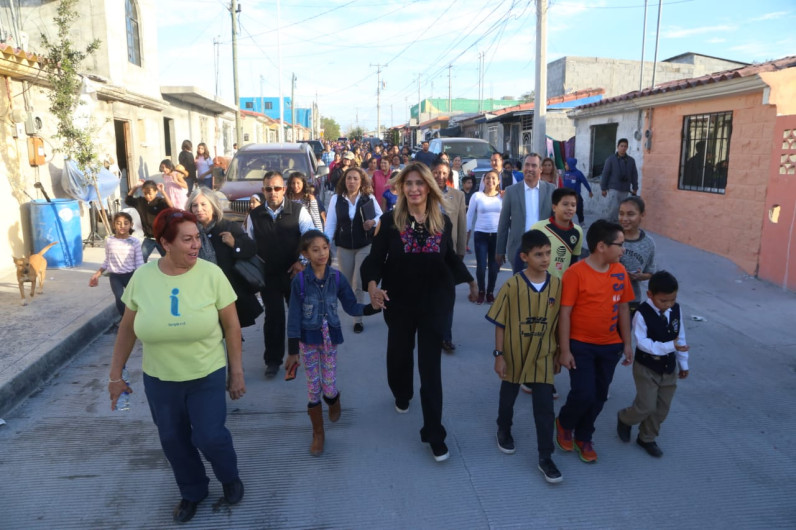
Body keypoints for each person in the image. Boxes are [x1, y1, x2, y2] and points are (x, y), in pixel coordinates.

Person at [107, 208, 245, 524]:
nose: (196, 245)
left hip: (205, 373)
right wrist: (116, 375)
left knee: (210, 436)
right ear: (166, 243)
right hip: (160, 379)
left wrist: (235, 371)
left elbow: (232, 326)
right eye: (187, 240)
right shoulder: (143, 277)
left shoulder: (212, 275)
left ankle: (229, 476)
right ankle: (193, 491)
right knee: (173, 440)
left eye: (197, 238)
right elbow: (127, 328)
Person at [361, 162, 478, 462]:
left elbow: (449, 258)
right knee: (399, 356)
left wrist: (470, 280)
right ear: (401, 188)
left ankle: (434, 432)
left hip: (435, 303)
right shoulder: (388, 222)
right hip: (398, 302)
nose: (414, 189)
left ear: (429, 187)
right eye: (408, 183)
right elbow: (374, 261)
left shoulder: (443, 221)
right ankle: (402, 393)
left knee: (430, 368)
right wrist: (373, 287)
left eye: (419, 183)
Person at [285, 231, 380, 456]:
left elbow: (350, 306)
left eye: (325, 248)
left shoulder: (336, 278)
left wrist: (370, 308)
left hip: (330, 341)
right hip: (307, 341)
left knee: (328, 387)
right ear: (305, 254)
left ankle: (333, 400)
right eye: (315, 250)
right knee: (313, 389)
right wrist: (292, 351)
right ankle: (318, 433)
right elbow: (294, 316)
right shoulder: (299, 281)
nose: (322, 253)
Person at [486, 229, 563, 484]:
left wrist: (559, 352)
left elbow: (558, 322)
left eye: (548, 253)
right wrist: (499, 355)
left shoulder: (557, 285)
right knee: (508, 398)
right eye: (538, 254)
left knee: (545, 409)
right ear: (524, 257)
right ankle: (503, 428)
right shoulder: (512, 286)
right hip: (514, 353)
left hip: (542, 355)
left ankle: (545, 456)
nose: (545, 258)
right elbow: (500, 323)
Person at [555, 219, 634, 464]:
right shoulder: (575, 273)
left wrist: (627, 344)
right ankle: (565, 423)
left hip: (610, 347)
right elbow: (564, 313)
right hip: (581, 346)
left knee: (599, 395)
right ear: (601, 246)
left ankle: (584, 436)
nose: (623, 250)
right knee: (583, 393)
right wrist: (564, 350)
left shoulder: (620, 271)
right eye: (619, 245)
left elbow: (623, 308)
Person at [247, 171, 316, 378]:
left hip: (295, 274)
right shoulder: (254, 216)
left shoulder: (298, 211)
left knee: (297, 316)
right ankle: (273, 361)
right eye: (268, 189)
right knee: (274, 317)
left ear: (284, 190)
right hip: (269, 276)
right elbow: (249, 244)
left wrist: (302, 262)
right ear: (263, 191)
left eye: (277, 188)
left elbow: (311, 238)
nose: (273, 192)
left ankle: (297, 354)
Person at [617, 271, 689, 458]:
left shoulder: (676, 310)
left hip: (669, 368)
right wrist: (669, 346)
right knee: (646, 406)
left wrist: (684, 364)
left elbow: (680, 337)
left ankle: (647, 437)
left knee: (662, 408)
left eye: (672, 300)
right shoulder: (641, 314)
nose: (668, 305)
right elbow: (643, 344)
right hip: (646, 368)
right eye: (663, 301)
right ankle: (625, 418)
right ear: (650, 295)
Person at [187, 188, 263, 329]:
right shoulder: (189, 230)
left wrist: (235, 244)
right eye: (195, 205)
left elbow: (251, 248)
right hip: (199, 291)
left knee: (230, 332)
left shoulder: (227, 226)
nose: (199, 209)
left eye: (204, 204)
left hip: (228, 291)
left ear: (213, 206)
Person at [324, 166, 383, 334]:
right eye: (349, 178)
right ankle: (353, 308)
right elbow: (330, 225)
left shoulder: (368, 198)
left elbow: (381, 216)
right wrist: (325, 245)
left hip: (364, 245)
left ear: (361, 181)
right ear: (344, 180)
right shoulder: (337, 199)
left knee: (358, 283)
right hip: (344, 247)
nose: (352, 181)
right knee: (347, 283)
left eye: (355, 178)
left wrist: (372, 222)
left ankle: (358, 320)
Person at [496, 153, 557, 274]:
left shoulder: (551, 190)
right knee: (520, 288)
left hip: (543, 249)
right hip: (519, 249)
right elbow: (503, 222)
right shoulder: (511, 191)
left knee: (541, 287)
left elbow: (556, 220)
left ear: (540, 169)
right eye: (527, 165)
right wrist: (500, 250)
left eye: (534, 165)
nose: (529, 168)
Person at [431, 160, 467, 353]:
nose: (440, 176)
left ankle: (446, 336)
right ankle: (431, 333)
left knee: (447, 296)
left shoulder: (458, 196)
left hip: (449, 253)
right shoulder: (423, 193)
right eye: (436, 173)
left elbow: (462, 224)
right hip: (426, 253)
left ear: (449, 175)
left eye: (443, 173)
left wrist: (461, 249)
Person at [88, 212, 143, 318]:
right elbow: (107, 260)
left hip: (131, 275)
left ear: (131, 225)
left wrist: (141, 278)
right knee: (119, 298)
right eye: (118, 223)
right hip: (115, 276)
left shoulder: (134, 242)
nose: (122, 226)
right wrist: (97, 274)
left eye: (126, 223)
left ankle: (138, 319)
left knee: (135, 299)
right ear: (114, 225)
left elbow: (139, 262)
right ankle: (125, 320)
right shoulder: (109, 241)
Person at [466, 170, 502, 304]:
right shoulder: (477, 196)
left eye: (493, 178)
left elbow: (508, 217)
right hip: (481, 234)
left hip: (497, 235)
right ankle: (481, 291)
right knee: (481, 266)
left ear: (498, 181)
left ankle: (490, 292)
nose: (490, 181)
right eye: (487, 178)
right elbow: (469, 215)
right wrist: (466, 233)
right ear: (483, 180)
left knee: (494, 266)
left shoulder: (503, 197)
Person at [531, 187, 583, 279]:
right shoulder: (539, 227)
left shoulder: (577, 231)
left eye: (573, 205)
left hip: (562, 285)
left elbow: (574, 261)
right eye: (565, 204)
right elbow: (524, 256)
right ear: (554, 207)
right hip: (538, 283)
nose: (570, 208)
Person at [618, 196, 656, 309]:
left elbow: (650, 272)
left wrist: (640, 276)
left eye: (630, 214)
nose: (624, 218)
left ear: (642, 214)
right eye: (621, 213)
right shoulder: (611, 237)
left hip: (632, 299)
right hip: (609, 297)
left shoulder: (649, 243)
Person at [125, 180, 172, 262]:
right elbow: (127, 200)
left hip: (161, 238)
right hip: (149, 238)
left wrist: (163, 191)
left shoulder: (160, 202)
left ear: (156, 191)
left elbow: (171, 207)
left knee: (169, 258)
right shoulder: (140, 202)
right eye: (145, 193)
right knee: (141, 258)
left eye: (150, 193)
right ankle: (141, 273)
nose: (147, 196)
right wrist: (135, 187)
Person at [600, 138, 639, 222]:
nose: (623, 148)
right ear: (617, 147)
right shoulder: (610, 159)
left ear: (627, 148)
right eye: (621, 146)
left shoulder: (631, 161)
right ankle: (609, 227)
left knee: (622, 209)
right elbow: (605, 174)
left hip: (625, 189)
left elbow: (634, 174)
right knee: (612, 209)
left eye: (625, 146)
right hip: (613, 188)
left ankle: (618, 228)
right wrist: (603, 188)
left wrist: (635, 187)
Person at [562, 158, 593, 225]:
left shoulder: (578, 173)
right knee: (567, 210)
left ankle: (581, 222)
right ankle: (567, 222)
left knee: (579, 209)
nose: (565, 166)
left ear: (570, 165)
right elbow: (563, 183)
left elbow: (585, 182)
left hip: (576, 195)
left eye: (566, 165)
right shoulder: (566, 173)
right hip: (567, 196)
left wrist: (590, 191)